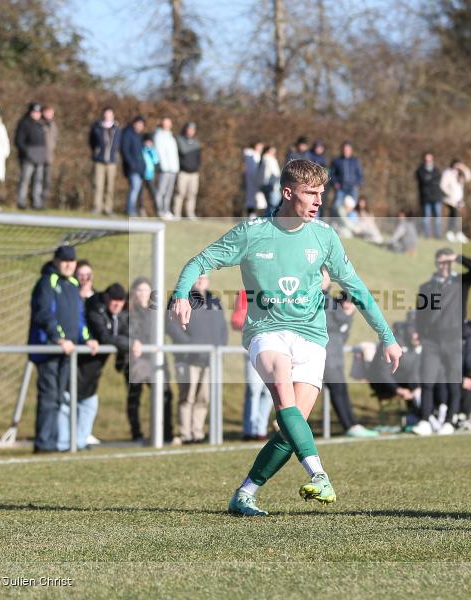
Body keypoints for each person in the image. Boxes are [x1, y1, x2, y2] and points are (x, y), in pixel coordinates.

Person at [170, 158, 401, 517]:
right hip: (267, 332)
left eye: (322, 193)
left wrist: (387, 336)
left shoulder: (324, 236)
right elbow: (200, 261)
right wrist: (181, 294)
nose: (319, 201)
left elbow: (355, 288)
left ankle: (245, 494)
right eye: (311, 193)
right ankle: (319, 474)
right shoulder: (252, 233)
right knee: (283, 392)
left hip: (311, 338)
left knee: (290, 429)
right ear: (288, 192)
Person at [28, 245, 98, 453]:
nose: (68, 265)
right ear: (56, 261)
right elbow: (44, 313)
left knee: (59, 397)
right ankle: (44, 443)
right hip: (49, 350)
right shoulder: (47, 282)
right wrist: (59, 338)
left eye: (71, 261)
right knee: (49, 397)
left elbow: (79, 319)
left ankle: (55, 442)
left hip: (68, 351)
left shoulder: (72, 284)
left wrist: (87, 339)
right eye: (64, 261)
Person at [414, 248, 471, 435]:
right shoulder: (426, 287)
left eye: (447, 262)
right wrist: (419, 333)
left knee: (454, 381)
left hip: (453, 339)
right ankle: (425, 419)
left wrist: (458, 257)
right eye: (440, 262)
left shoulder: (460, 282)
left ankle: (451, 420)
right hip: (431, 341)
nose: (443, 265)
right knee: (427, 380)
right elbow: (420, 315)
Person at [64, 283, 129, 451]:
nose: (117, 305)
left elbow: (122, 333)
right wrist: (129, 344)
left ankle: (79, 441)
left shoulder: (118, 315)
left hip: (93, 371)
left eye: (120, 302)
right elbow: (105, 337)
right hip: (78, 366)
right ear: (107, 298)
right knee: (68, 402)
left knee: (89, 402)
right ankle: (63, 442)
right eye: (114, 301)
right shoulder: (95, 308)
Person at [166, 274, 227, 445]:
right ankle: (185, 434)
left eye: (205, 278)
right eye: (198, 278)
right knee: (187, 397)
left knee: (203, 398)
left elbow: (223, 328)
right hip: (188, 358)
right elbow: (171, 325)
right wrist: (190, 345)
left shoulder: (214, 300)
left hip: (209, 360)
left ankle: (197, 433)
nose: (201, 281)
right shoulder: (180, 298)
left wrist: (219, 348)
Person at [321, 269, 378, 437]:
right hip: (327, 358)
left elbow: (342, 335)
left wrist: (349, 315)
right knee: (337, 390)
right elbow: (333, 321)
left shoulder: (331, 302)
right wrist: (346, 313)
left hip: (335, 358)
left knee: (341, 390)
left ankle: (352, 425)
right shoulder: (323, 299)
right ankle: (349, 426)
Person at [122, 277, 174, 442]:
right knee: (134, 397)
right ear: (134, 293)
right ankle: (136, 433)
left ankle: (166, 433)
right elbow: (125, 333)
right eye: (139, 290)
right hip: (137, 360)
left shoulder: (157, 311)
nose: (143, 293)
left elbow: (170, 327)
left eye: (146, 290)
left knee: (165, 395)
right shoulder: (128, 312)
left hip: (156, 360)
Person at [232, 288, 273, 441]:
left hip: (274, 349)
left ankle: (260, 430)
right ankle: (249, 430)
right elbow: (236, 320)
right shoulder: (245, 293)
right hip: (253, 348)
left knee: (269, 392)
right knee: (254, 389)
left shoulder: (277, 291)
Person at [15, 102, 47, 210]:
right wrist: (27, 153)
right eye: (34, 112)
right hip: (27, 157)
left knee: (38, 181)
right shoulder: (24, 123)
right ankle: (21, 202)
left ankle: (36, 203)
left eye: (38, 112)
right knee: (25, 180)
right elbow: (19, 141)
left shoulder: (40, 124)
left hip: (39, 157)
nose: (36, 114)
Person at [89, 107, 121, 215]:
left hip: (112, 161)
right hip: (99, 160)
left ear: (113, 115)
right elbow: (91, 142)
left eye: (109, 114)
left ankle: (108, 208)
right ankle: (97, 207)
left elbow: (118, 143)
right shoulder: (97, 127)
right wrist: (97, 152)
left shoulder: (117, 128)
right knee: (98, 185)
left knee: (110, 186)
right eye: (106, 114)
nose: (107, 116)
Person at [173, 121, 201, 219]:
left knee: (192, 194)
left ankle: (190, 213)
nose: (191, 131)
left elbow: (198, 157)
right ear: (186, 129)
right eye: (189, 129)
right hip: (183, 172)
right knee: (180, 193)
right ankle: (177, 213)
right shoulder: (180, 140)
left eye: (193, 130)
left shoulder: (196, 142)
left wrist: (196, 167)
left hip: (194, 173)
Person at [440, 159, 471, 243]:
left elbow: (469, 177)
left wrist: (464, 168)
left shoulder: (460, 174)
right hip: (450, 199)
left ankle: (453, 232)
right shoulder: (448, 173)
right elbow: (443, 185)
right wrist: (449, 194)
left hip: (459, 200)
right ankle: (453, 232)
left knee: (456, 215)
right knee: (454, 214)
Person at [153, 117, 179, 219]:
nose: (167, 125)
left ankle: (166, 210)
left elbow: (174, 154)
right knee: (161, 191)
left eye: (169, 123)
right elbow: (160, 153)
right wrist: (164, 166)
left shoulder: (171, 137)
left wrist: (175, 167)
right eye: (165, 123)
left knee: (169, 192)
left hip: (173, 169)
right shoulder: (159, 136)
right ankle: (160, 211)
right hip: (165, 169)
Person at [121, 116, 147, 217]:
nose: (140, 126)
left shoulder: (139, 136)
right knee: (135, 187)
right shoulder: (128, 134)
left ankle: (133, 209)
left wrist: (143, 166)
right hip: (132, 168)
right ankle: (130, 209)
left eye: (142, 125)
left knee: (137, 189)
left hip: (140, 168)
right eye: (139, 123)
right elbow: (125, 151)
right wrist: (131, 164)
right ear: (134, 123)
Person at [416, 152, 442, 239]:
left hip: (436, 197)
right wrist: (432, 180)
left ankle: (438, 235)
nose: (428, 161)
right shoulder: (420, 170)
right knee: (426, 218)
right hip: (425, 198)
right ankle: (427, 235)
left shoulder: (436, 170)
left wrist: (430, 179)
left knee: (438, 217)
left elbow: (437, 180)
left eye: (430, 159)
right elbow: (424, 181)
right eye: (426, 159)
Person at [330, 142, 363, 212]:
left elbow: (360, 174)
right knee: (336, 206)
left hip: (352, 188)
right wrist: (335, 183)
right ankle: (334, 221)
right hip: (341, 188)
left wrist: (358, 184)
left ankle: (352, 222)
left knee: (353, 207)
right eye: (344, 149)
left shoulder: (355, 161)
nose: (346, 151)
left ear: (351, 151)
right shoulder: (337, 161)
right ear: (342, 150)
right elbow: (332, 174)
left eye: (348, 150)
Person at [256, 145, 281, 215]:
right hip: (271, 185)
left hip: (265, 185)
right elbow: (275, 173)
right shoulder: (270, 159)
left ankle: (266, 220)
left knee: (270, 205)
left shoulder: (262, 159)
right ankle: (267, 221)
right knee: (273, 205)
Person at [41, 105, 58, 206]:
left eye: (51, 112)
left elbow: (55, 139)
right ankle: (36, 201)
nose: (49, 114)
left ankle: (44, 202)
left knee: (47, 181)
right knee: (38, 180)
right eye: (47, 112)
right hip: (39, 156)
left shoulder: (53, 125)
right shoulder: (40, 123)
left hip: (49, 157)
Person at [242, 141, 264, 218]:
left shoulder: (258, 155)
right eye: (259, 146)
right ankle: (251, 216)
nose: (261, 148)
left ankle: (256, 216)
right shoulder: (251, 155)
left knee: (259, 200)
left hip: (256, 180)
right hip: (252, 181)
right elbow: (252, 170)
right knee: (251, 199)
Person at [141, 134, 161, 217]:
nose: (148, 143)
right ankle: (141, 210)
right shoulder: (141, 150)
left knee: (153, 193)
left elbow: (156, 161)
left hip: (150, 175)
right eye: (147, 141)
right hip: (142, 175)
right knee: (140, 194)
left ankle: (157, 211)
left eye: (150, 141)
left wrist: (151, 152)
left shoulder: (153, 150)